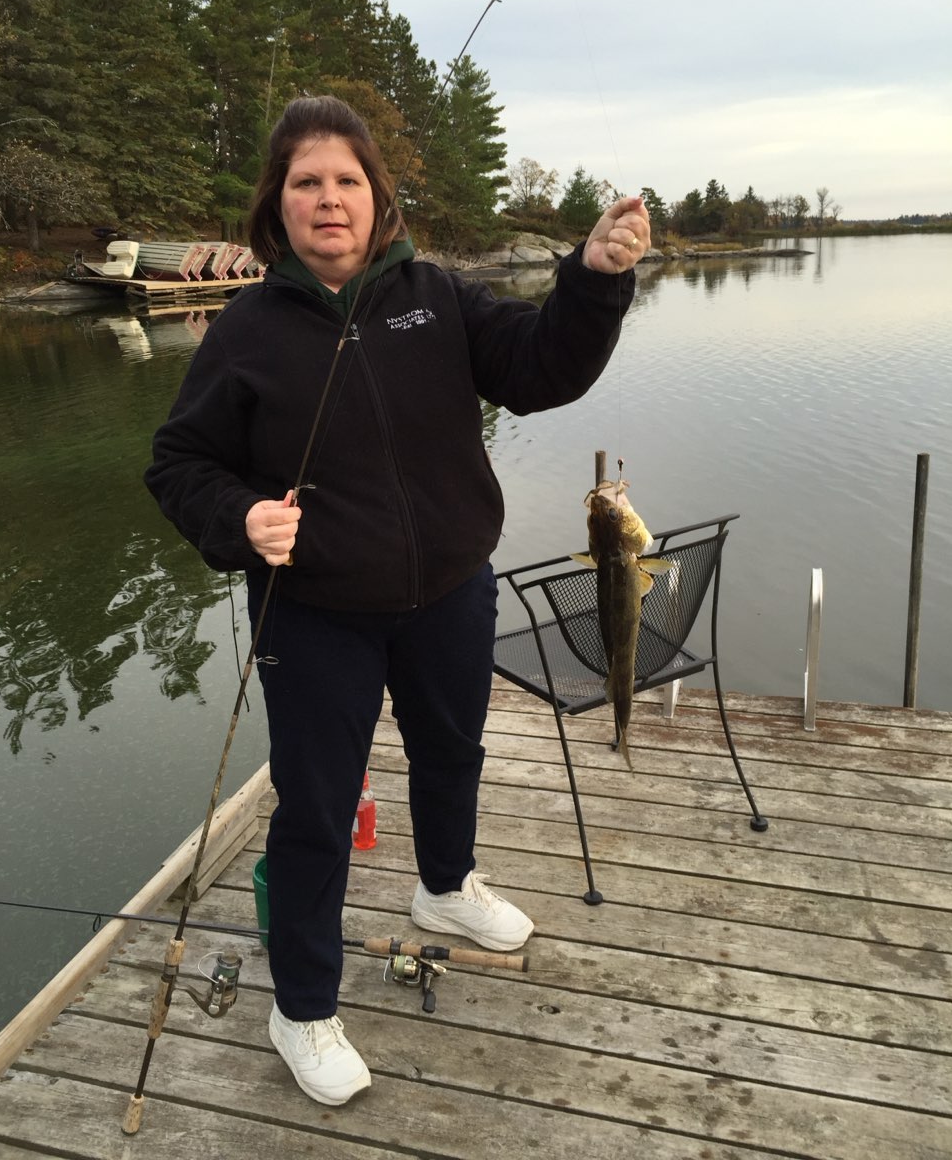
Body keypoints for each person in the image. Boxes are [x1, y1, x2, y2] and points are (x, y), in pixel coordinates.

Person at [144, 96, 650, 1107]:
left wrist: (594, 280)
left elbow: (542, 365)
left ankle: (446, 884)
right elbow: (178, 462)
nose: (329, 200)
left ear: (379, 198)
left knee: (454, 752)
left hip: (451, 591)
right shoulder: (245, 328)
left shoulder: (440, 295)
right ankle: (301, 1004)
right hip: (315, 613)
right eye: (306, 183)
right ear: (277, 205)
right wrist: (240, 518)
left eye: (347, 181)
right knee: (318, 809)